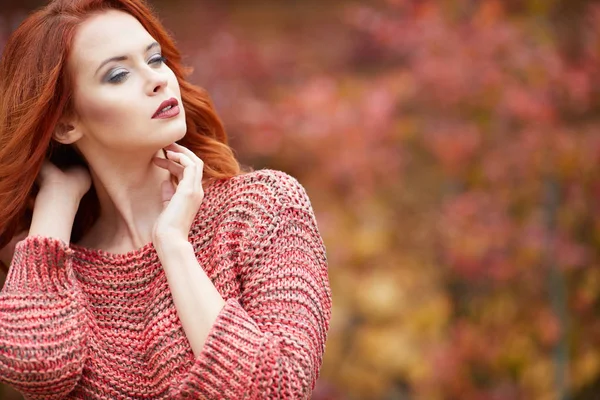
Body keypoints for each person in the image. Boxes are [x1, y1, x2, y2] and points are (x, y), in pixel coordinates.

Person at [0, 0, 332, 399]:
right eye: (118, 74)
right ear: (66, 123)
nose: (157, 80)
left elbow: (276, 391)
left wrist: (174, 245)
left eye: (155, 59)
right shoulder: (60, 273)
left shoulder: (263, 206)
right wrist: (56, 201)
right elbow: (35, 367)